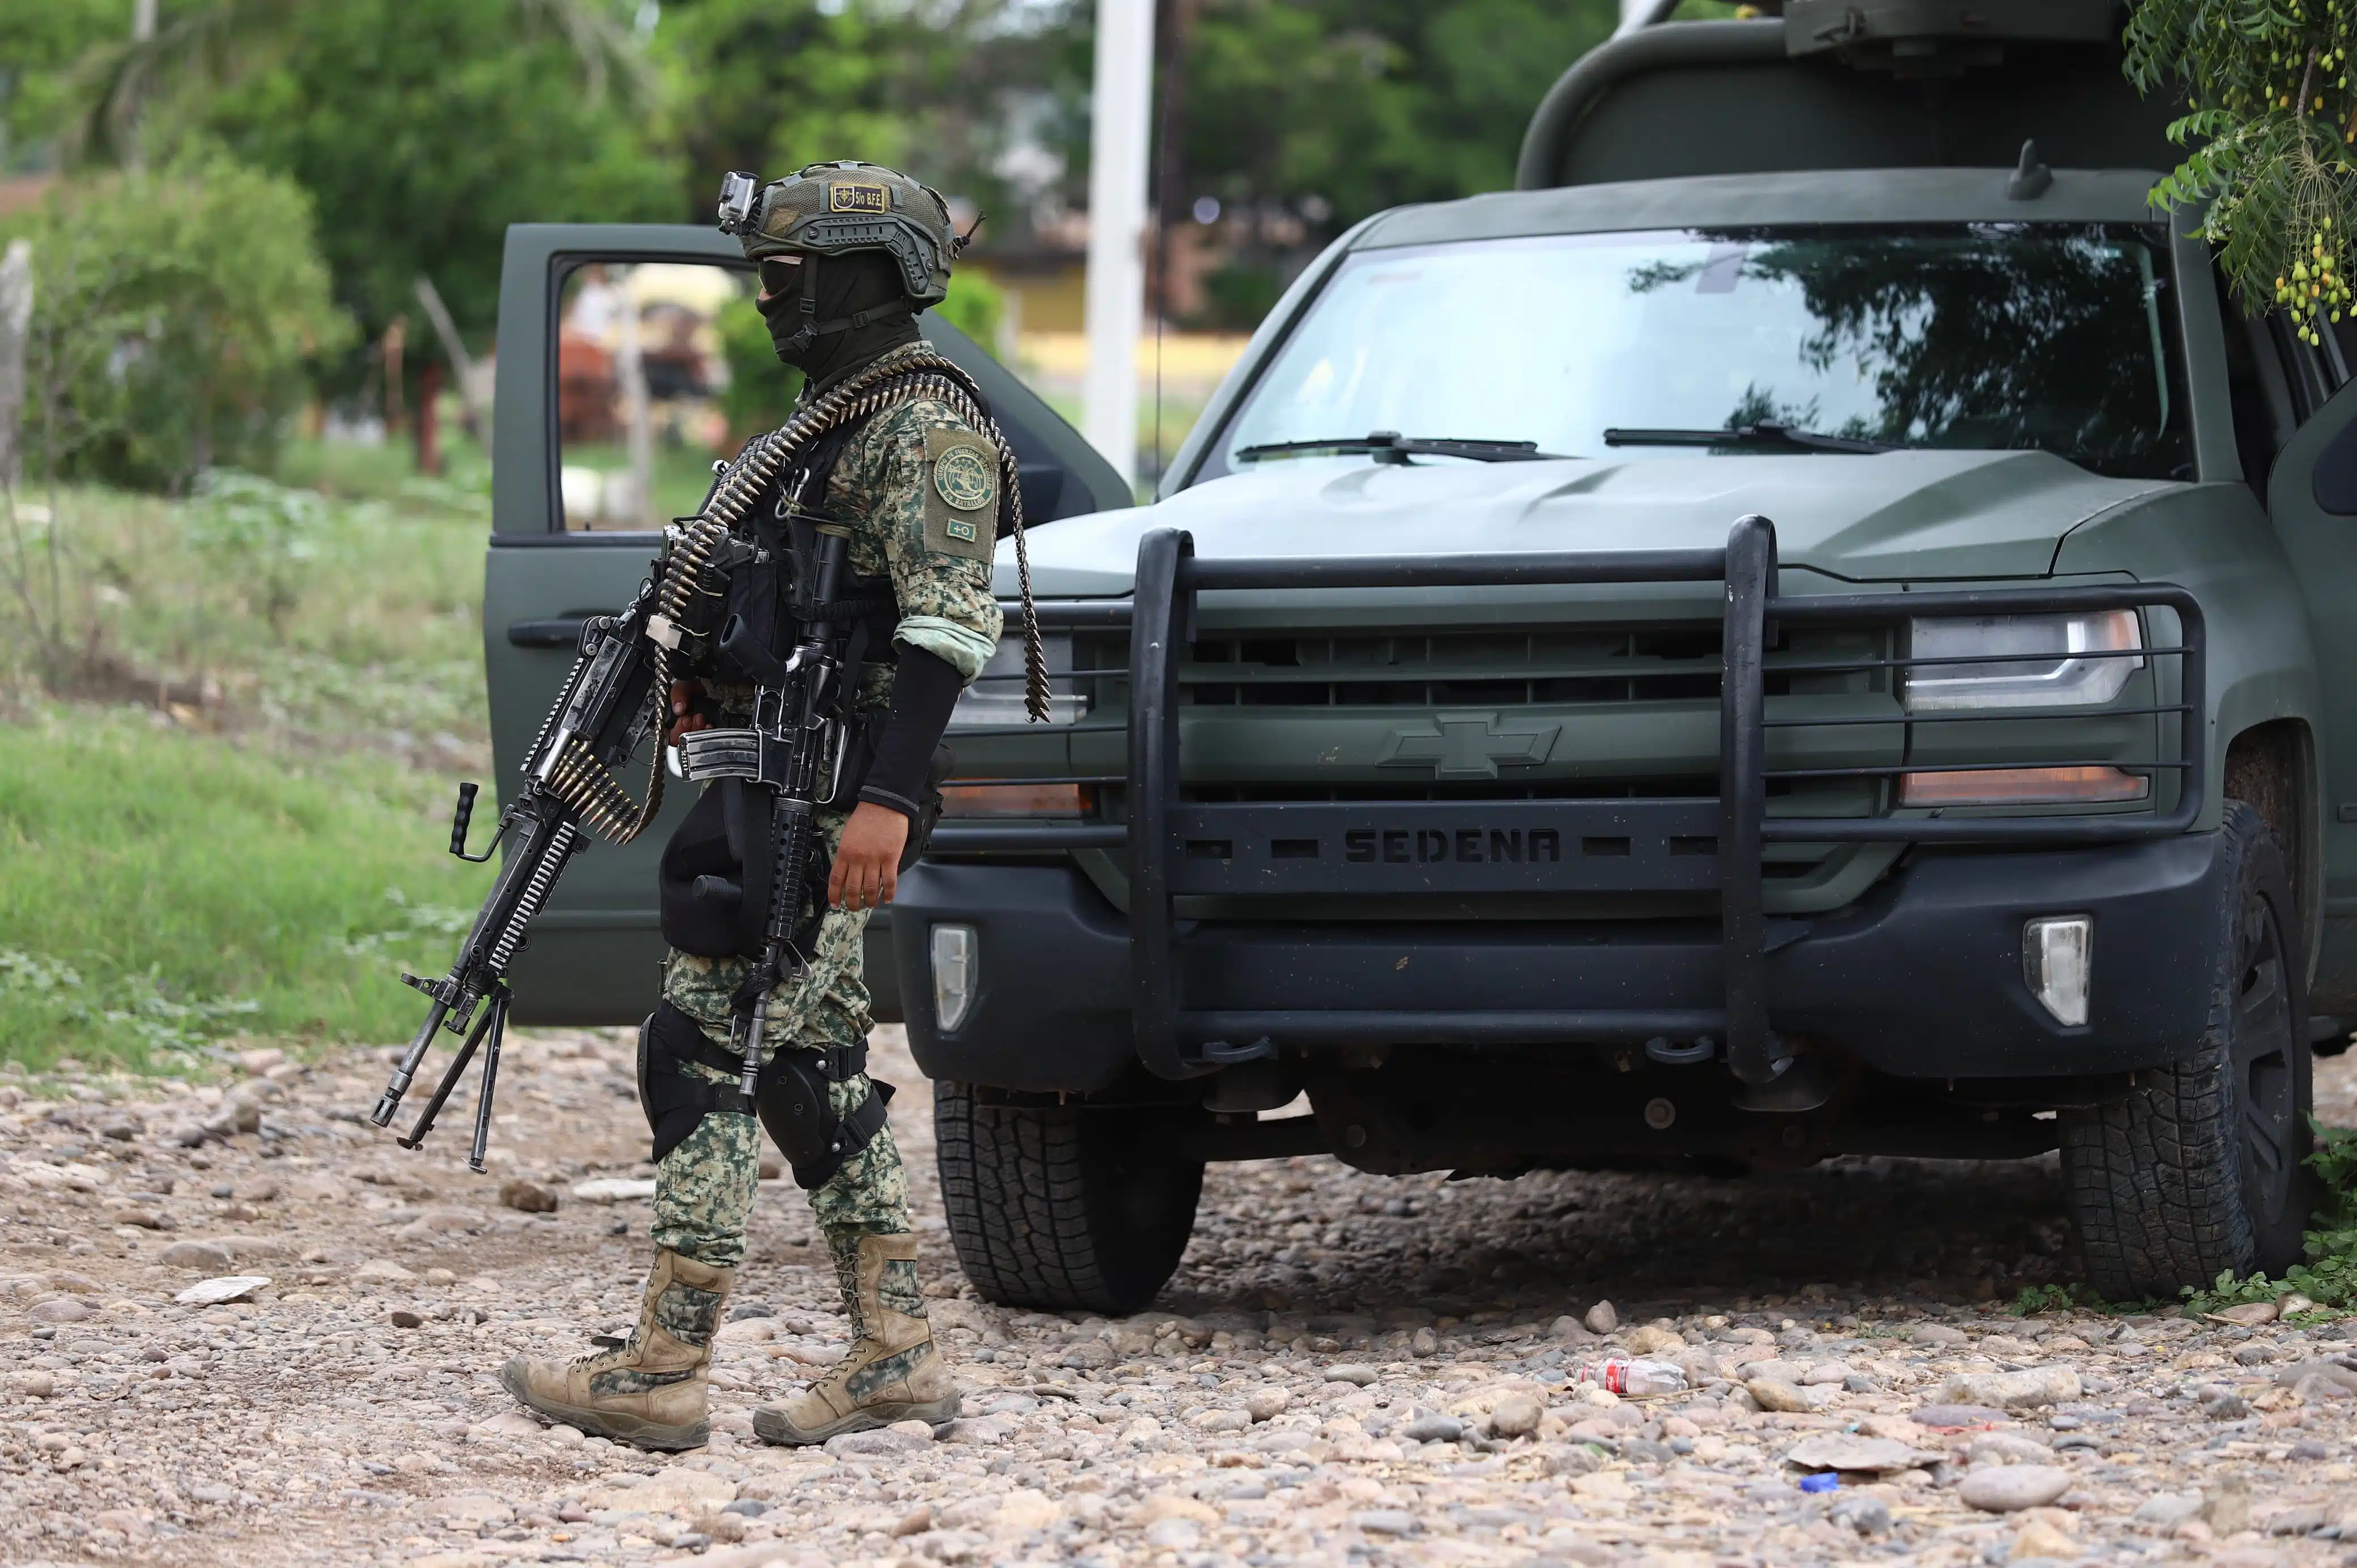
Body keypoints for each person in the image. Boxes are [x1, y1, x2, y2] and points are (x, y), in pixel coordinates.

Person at [501, 161, 1021, 1452]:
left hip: (836, 799)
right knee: (801, 1065)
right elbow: (789, 605)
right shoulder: (830, 422)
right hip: (774, 784)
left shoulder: (924, 429)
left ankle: (670, 1366)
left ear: (859, 277)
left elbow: (946, 633)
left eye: (786, 279)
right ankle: (893, 1347)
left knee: (707, 1050)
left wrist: (887, 802)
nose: (766, 303)